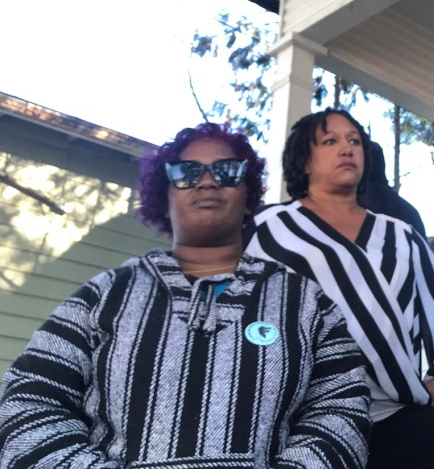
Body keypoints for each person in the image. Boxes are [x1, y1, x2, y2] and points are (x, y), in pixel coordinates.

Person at [0, 123, 370, 468]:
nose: (207, 182)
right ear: (163, 199)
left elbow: (343, 411)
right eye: (186, 173)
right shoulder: (102, 296)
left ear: (248, 197)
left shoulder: (309, 304)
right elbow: (27, 402)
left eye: (227, 171)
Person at [247, 109, 434, 469]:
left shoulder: (402, 238)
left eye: (354, 140)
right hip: (301, 426)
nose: (347, 148)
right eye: (330, 141)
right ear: (303, 160)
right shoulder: (267, 231)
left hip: (396, 420)